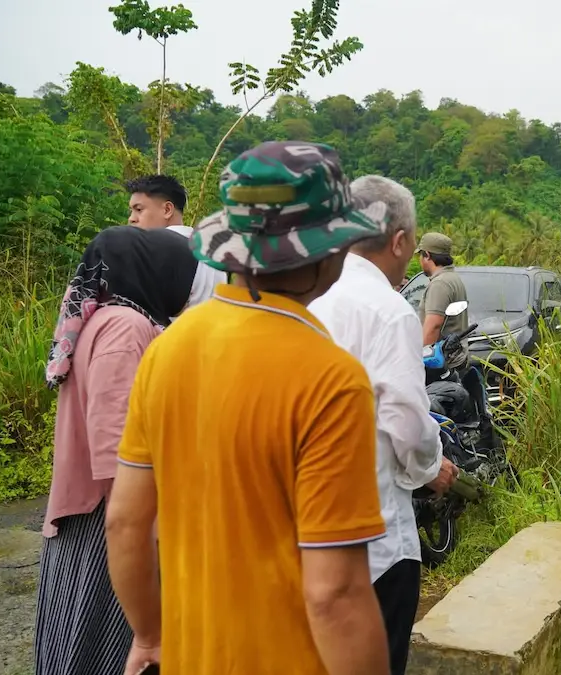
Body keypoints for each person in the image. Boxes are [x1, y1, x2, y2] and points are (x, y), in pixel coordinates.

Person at [105, 141, 392, 675]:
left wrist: (148, 636)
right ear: (327, 251)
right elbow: (336, 593)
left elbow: (125, 522)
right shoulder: (330, 379)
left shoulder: (171, 344)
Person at [308, 175, 459, 675]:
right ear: (397, 241)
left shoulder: (308, 296)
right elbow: (409, 428)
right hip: (373, 541)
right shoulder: (389, 312)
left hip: (303, 530)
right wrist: (431, 467)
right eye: (411, 244)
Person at [35, 225, 198, 675]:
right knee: (107, 647)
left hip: (94, 513)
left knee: (77, 647)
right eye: (183, 273)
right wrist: (144, 532)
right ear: (156, 272)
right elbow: (115, 447)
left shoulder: (102, 317)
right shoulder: (126, 328)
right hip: (108, 520)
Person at [124, 173, 227, 311]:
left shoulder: (155, 250)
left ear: (167, 210)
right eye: (131, 211)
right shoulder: (210, 253)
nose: (131, 219)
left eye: (139, 210)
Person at [416, 232, 468, 347]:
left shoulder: (440, 284)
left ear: (427, 255)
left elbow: (433, 326)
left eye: (420, 255)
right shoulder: (453, 278)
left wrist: (420, 359)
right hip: (455, 358)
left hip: (440, 361)